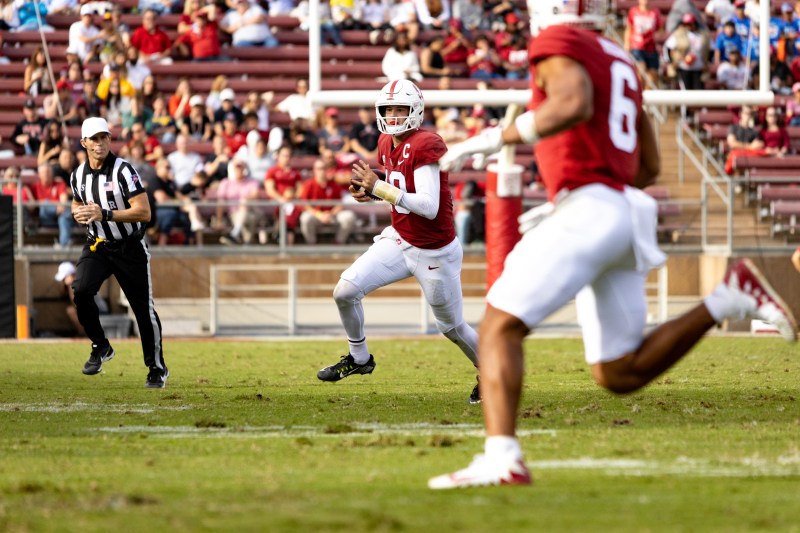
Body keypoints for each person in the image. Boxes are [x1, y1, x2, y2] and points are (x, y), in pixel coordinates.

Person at [429, 0, 797, 489]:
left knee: (498, 327)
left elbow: (571, 102)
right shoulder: (620, 57)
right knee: (618, 371)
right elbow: (646, 167)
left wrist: (496, 138)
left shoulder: (560, 42)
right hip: (624, 209)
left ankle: (503, 458)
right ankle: (729, 295)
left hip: (593, 207)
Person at [318, 79, 480, 404]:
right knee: (345, 290)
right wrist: (372, 189)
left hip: (434, 252)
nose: (393, 116)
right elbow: (398, 187)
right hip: (400, 238)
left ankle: (492, 372)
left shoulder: (426, 143)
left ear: (415, 111)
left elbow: (429, 206)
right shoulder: (384, 142)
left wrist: (379, 188)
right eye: (388, 109)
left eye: (400, 109)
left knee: (451, 328)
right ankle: (360, 358)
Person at [69, 117, 169, 388]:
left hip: (129, 246)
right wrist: (78, 214)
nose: (100, 143)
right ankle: (100, 345)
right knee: (81, 290)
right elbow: (76, 202)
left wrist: (106, 213)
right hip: (98, 244)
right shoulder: (77, 174)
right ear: (84, 143)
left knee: (142, 309)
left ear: (110, 140)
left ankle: (156, 367)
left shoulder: (123, 171)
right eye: (94, 139)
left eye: (104, 137)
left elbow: (144, 211)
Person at [298, 159, 356, 244]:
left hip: (331, 215)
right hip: (316, 216)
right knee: (305, 217)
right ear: (314, 170)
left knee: (349, 216)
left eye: (323, 168)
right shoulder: (308, 184)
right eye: (318, 169)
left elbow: (340, 204)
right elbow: (304, 204)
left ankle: (338, 243)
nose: (321, 171)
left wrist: (330, 214)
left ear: (327, 170)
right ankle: (311, 244)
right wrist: (319, 215)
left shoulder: (333, 184)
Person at [54, 261, 109, 337]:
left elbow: (78, 305)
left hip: (100, 312)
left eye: (64, 278)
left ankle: (85, 335)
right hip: (93, 311)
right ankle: (86, 334)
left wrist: (70, 288)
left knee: (71, 311)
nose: (63, 281)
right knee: (72, 310)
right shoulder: (78, 282)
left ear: (70, 275)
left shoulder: (78, 285)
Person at [31, 162, 73, 248]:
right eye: (44, 172)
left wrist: (61, 207)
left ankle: (63, 246)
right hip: (45, 219)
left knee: (64, 217)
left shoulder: (59, 184)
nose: (46, 174)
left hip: (60, 217)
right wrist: (58, 207)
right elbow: (34, 205)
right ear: (39, 174)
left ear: (52, 173)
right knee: (45, 204)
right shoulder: (35, 186)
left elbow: (63, 200)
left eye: (48, 172)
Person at [624, 0, 663, 87]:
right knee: (640, 72)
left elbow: (660, 29)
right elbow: (629, 28)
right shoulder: (633, 11)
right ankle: (639, 94)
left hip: (651, 47)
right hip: (637, 46)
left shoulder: (655, 12)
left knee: (652, 76)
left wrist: (656, 35)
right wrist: (627, 43)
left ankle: (649, 97)